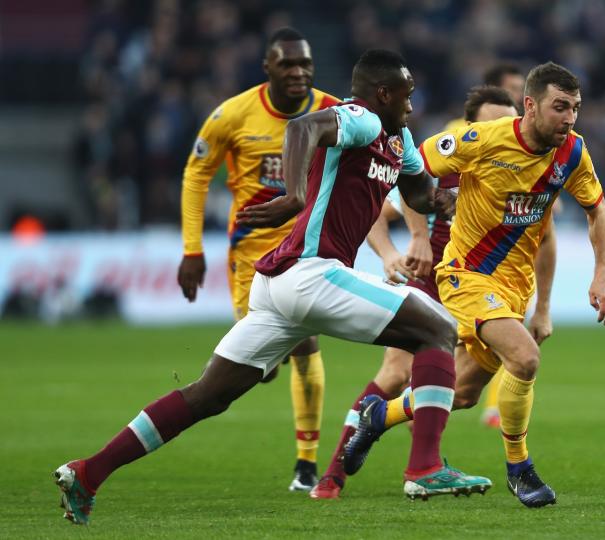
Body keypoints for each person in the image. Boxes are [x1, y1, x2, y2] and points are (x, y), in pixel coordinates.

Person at [53, 49, 491, 525]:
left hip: (280, 286)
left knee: (207, 395)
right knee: (439, 330)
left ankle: (88, 473)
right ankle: (425, 467)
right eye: (406, 95)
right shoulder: (361, 118)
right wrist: (295, 194)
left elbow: (420, 193)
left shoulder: (397, 137)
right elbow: (302, 128)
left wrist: (447, 200)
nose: (412, 104)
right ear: (383, 93)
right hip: (311, 272)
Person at [343, 62, 605, 508]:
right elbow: (409, 164)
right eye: (560, 107)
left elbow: (598, 210)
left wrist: (603, 271)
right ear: (530, 105)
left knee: (465, 394)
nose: (569, 118)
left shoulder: (571, 152)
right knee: (525, 358)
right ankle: (520, 469)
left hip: (514, 286)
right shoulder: (480, 140)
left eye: (576, 108)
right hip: (465, 275)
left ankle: (380, 415)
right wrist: (417, 227)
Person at [311, 85, 547, 500]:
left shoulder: (524, 167)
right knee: (396, 372)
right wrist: (396, 250)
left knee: (466, 395)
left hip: (490, 289)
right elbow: (381, 210)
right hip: (434, 279)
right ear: (470, 126)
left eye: (504, 123)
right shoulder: (446, 160)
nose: (498, 130)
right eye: (488, 123)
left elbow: (547, 237)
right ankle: (332, 475)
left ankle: (383, 422)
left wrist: (542, 306)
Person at [177, 27, 338, 492]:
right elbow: (196, 174)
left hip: (306, 250)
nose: (298, 72)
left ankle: (306, 464)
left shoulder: (331, 111)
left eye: (305, 64)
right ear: (267, 67)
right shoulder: (233, 114)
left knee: (306, 346)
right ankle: (268, 361)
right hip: (251, 255)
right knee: (257, 365)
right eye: (287, 64)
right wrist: (192, 248)